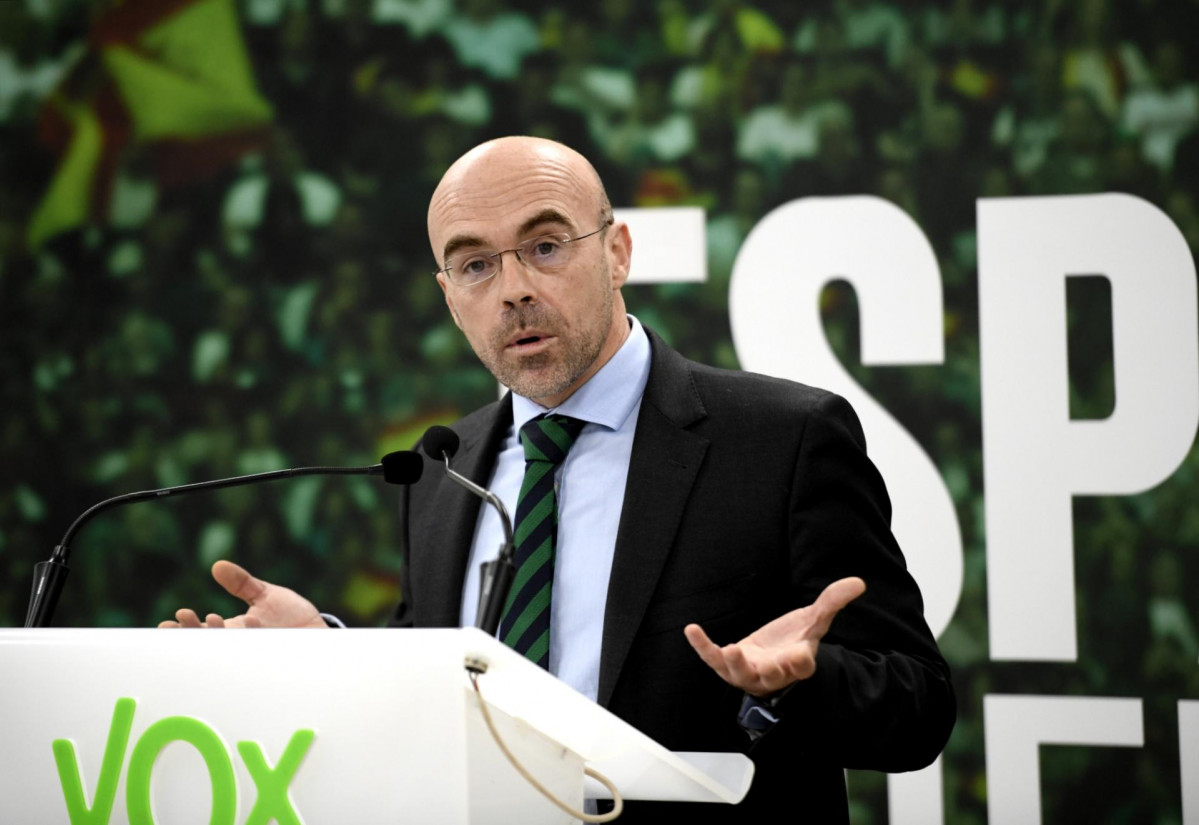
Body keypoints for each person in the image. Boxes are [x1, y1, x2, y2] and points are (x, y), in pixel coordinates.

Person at [163, 136, 955, 822]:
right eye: (474, 264)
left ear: (616, 252)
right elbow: (452, 670)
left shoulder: (781, 438)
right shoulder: (444, 467)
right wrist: (326, 653)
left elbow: (917, 707)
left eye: (544, 247)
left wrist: (794, 685)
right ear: (449, 298)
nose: (512, 288)